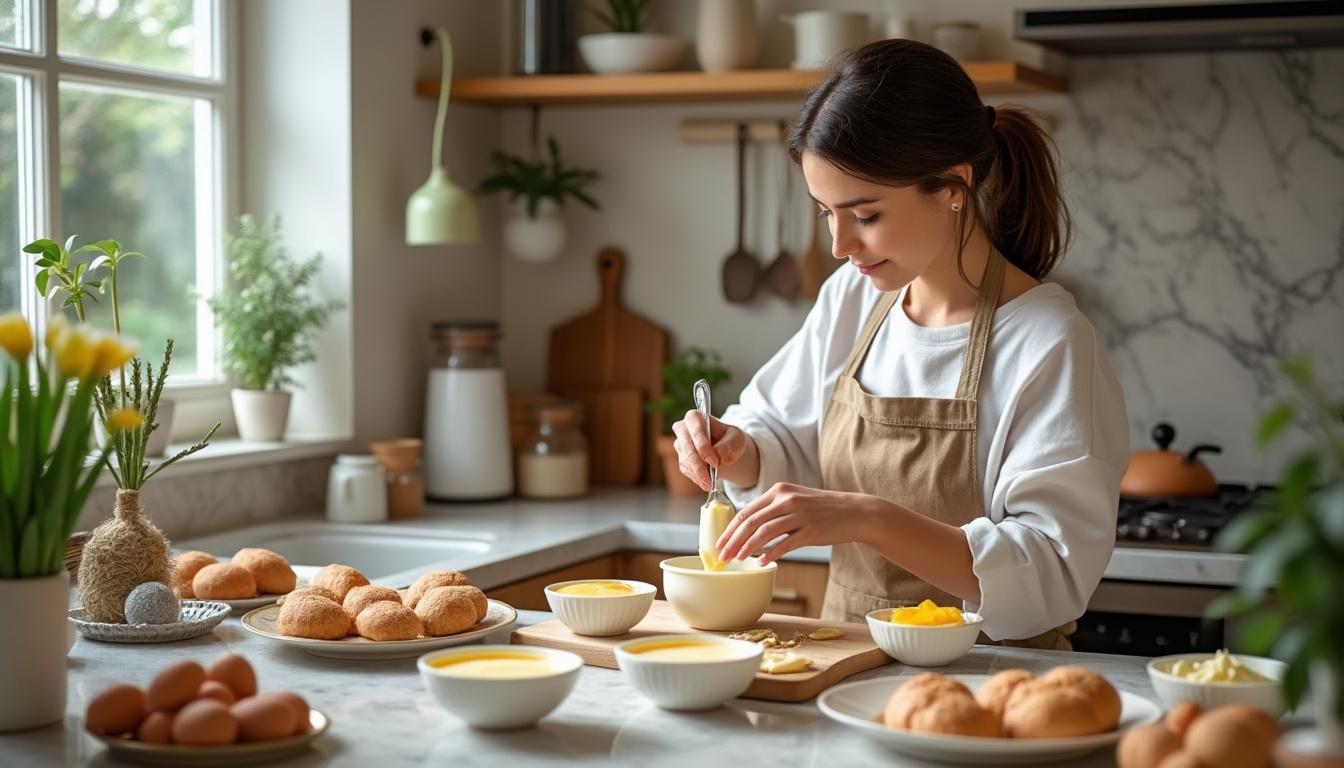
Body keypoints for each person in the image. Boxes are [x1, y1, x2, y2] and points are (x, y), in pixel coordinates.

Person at [671, 40, 1128, 650]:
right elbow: (783, 433)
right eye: (825, 213)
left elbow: (1049, 570)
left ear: (954, 187)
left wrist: (869, 518)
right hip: (843, 667)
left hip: (986, 689)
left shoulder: (1048, 342)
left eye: (864, 216)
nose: (839, 245)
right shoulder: (853, 300)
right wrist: (738, 450)